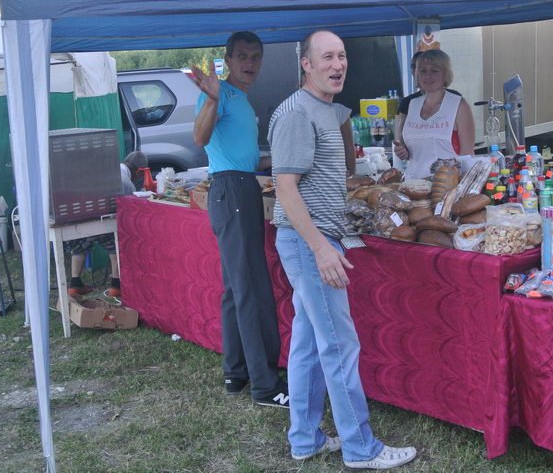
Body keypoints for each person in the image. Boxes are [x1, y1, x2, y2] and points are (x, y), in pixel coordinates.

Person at [268, 30, 417, 470]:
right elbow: (285, 188)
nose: (338, 64)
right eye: (327, 57)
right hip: (308, 240)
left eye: (343, 56)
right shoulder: (297, 113)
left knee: (310, 343)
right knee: (339, 345)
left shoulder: (322, 109)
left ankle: (305, 438)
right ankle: (360, 448)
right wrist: (321, 248)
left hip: (310, 240)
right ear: (306, 64)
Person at [189, 31, 288, 408]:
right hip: (232, 191)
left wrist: (279, 161)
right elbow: (200, 136)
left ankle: (236, 371)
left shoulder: (242, 100)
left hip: (241, 186)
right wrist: (212, 98)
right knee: (252, 289)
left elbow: (245, 155)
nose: (250, 62)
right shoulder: (219, 94)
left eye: (256, 56)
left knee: (236, 288)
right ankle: (265, 385)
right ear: (227, 59)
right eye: (242, 56)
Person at [67, 150, 149, 299]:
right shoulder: (126, 183)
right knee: (119, 242)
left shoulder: (109, 170)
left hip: (80, 221)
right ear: (139, 171)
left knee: (80, 246)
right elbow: (126, 214)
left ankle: (75, 283)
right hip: (101, 224)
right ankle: (116, 285)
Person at [393, 49, 475, 180]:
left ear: (445, 74)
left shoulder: (459, 105)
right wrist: (404, 152)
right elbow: (411, 149)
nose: (428, 76)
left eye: (434, 71)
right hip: (413, 185)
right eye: (423, 70)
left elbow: (468, 156)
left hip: (446, 187)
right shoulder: (412, 105)